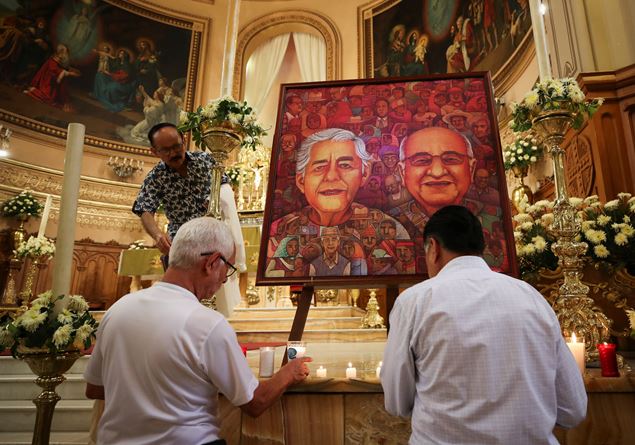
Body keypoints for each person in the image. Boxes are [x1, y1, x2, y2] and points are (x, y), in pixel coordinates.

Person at [84, 217, 312, 445]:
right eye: (229, 269)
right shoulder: (208, 325)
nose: (225, 279)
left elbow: (94, 389)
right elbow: (255, 402)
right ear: (212, 263)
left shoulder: (117, 311)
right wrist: (289, 372)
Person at [381, 205, 587, 444]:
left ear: (433, 248)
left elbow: (396, 401)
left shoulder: (414, 302)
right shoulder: (531, 297)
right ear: (482, 247)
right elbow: (573, 409)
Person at [132, 122, 244, 317]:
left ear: (184, 140)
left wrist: (215, 203)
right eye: (166, 150)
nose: (174, 153)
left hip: (213, 241)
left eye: (177, 146)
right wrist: (158, 235)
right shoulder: (156, 177)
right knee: (183, 300)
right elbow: (144, 209)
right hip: (182, 245)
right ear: (154, 151)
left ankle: (214, 329)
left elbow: (226, 191)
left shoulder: (205, 161)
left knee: (216, 298)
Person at [266, 128, 410, 277]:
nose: (331, 176)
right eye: (319, 168)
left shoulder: (391, 230)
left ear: (364, 174)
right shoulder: (278, 232)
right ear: (301, 181)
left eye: (345, 165)